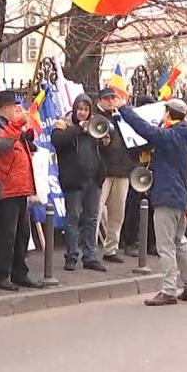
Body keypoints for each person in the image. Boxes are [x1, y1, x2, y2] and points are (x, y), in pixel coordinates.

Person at [119, 98, 187, 306]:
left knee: (166, 246)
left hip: (167, 195)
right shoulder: (184, 135)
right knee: (180, 242)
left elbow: (145, 129)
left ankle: (169, 290)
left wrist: (124, 110)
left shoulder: (171, 136)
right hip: (179, 196)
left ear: (169, 114)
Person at [0, 90, 44, 292]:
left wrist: (26, 134)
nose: (16, 110)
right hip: (4, 186)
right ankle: (2, 274)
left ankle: (19, 272)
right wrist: (17, 125)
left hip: (18, 186)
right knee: (7, 234)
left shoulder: (8, 125)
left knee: (21, 234)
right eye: (13, 107)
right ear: (3, 108)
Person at [51, 92, 106, 272]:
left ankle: (90, 256)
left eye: (86, 109)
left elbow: (104, 148)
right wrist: (77, 129)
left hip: (92, 180)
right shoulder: (63, 125)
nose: (83, 113)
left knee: (91, 219)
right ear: (74, 110)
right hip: (74, 181)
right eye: (80, 109)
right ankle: (71, 256)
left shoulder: (94, 128)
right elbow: (58, 141)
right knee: (73, 219)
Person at [93, 88, 132, 263]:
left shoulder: (121, 117)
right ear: (99, 101)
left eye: (113, 98)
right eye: (106, 99)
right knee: (97, 211)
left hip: (122, 170)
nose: (110, 101)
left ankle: (111, 249)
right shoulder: (96, 117)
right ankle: (90, 250)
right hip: (104, 171)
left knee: (117, 213)